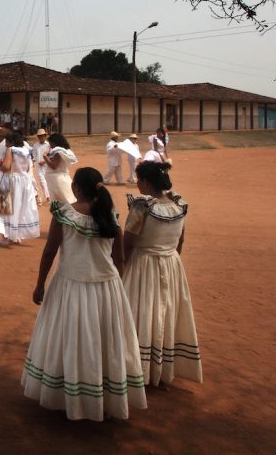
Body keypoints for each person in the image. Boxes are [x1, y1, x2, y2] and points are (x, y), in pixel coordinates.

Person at [21, 167, 147, 420]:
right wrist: (116, 287)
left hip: (71, 286)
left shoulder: (65, 214)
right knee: (102, 341)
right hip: (106, 287)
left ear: (76, 188)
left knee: (69, 338)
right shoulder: (110, 215)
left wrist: (40, 284)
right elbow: (118, 258)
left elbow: (49, 252)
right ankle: (102, 396)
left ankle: (68, 395)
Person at [122, 161, 202, 387]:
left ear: (146, 182)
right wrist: (171, 260)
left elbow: (128, 243)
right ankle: (160, 367)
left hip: (142, 265)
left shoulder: (142, 207)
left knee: (141, 312)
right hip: (170, 264)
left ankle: (137, 368)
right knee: (164, 314)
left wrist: (119, 269)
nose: (137, 184)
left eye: (139, 180)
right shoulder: (178, 204)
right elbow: (181, 240)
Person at [0, 131, 41, 246]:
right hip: (24, 182)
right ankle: (16, 236)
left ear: (11, 142)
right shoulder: (27, 151)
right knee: (19, 209)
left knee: (4, 209)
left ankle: (5, 237)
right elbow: (28, 168)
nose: (6, 144)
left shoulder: (11, 150)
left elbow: (6, 167)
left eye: (7, 142)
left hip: (10, 181)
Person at [44, 133, 79, 204]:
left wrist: (45, 157)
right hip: (61, 177)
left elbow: (54, 166)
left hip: (58, 179)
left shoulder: (57, 151)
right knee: (66, 200)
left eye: (50, 143)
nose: (50, 145)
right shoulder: (66, 151)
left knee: (64, 201)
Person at [31, 128, 51, 202]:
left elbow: (51, 155)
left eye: (42, 136)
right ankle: (47, 196)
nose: (41, 137)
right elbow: (34, 155)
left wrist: (44, 161)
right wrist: (35, 160)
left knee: (48, 181)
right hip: (39, 166)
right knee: (42, 181)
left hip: (47, 165)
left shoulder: (48, 145)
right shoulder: (35, 145)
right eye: (39, 136)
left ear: (45, 136)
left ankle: (49, 195)